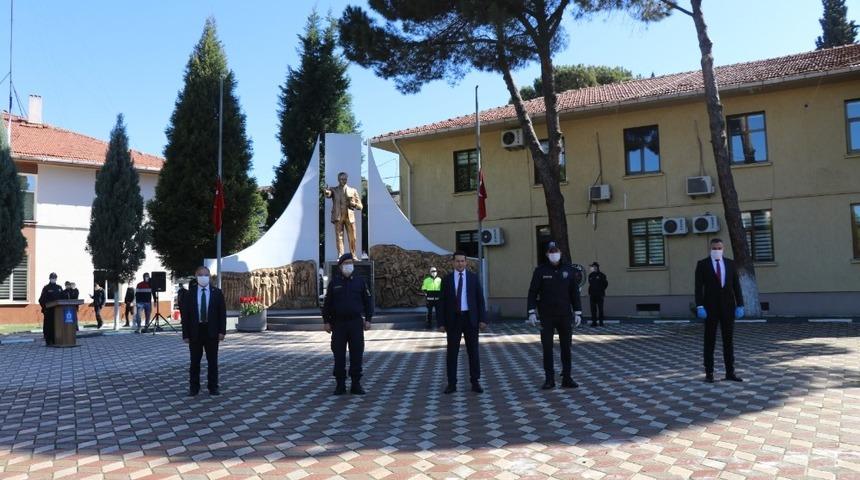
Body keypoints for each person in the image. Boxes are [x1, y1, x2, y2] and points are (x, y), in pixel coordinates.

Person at [527, 241, 583, 389]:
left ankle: (567, 377)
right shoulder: (540, 271)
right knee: (547, 348)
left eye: (556, 251)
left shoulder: (569, 270)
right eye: (551, 251)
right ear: (547, 254)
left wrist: (578, 312)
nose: (554, 254)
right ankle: (549, 379)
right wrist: (531, 311)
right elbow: (533, 291)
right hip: (547, 315)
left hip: (565, 315)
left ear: (560, 252)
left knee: (566, 347)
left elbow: (574, 292)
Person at [695, 238, 745, 383]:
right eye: (714, 248)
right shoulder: (702, 264)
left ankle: (730, 372)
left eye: (719, 248)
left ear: (723, 249)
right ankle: (709, 373)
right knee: (709, 341)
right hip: (710, 309)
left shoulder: (730, 264)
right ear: (710, 249)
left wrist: (740, 304)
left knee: (728, 341)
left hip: (728, 308)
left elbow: (736, 286)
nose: (717, 250)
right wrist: (699, 306)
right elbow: (698, 288)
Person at [322, 253, 373, 395]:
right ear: (340, 266)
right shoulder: (334, 283)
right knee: (338, 354)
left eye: (350, 262)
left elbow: (368, 302)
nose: (348, 265)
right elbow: (327, 304)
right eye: (346, 263)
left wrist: (368, 319)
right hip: (338, 324)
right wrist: (326, 321)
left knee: (357, 353)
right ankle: (340, 384)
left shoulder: (360, 282)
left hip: (356, 323)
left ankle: (356, 384)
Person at [438, 251, 487, 394]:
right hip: (453, 320)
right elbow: (441, 303)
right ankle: (451, 383)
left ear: (466, 262)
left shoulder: (473, 278)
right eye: (457, 261)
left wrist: (483, 319)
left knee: (473, 351)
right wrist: (441, 322)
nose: (460, 264)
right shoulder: (446, 280)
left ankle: (475, 381)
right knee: (452, 352)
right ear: (453, 263)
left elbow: (480, 300)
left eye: (462, 261)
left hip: (470, 319)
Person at [180, 266, 227, 396]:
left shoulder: (217, 293)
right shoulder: (190, 294)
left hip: (212, 331)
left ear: (209, 277)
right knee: (195, 362)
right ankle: (194, 388)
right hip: (195, 332)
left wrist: (222, 331)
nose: (203, 277)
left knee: (213, 361)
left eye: (206, 275)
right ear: (196, 276)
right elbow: (186, 316)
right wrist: (185, 334)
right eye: (201, 275)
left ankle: (213, 387)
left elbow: (222, 314)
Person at [323, 172, 363, 257]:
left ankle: (353, 255)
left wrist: (354, 204)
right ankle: (340, 255)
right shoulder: (333, 190)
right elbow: (328, 194)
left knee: (353, 237)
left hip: (350, 217)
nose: (343, 181)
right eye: (341, 179)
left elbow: (360, 206)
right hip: (338, 217)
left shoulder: (353, 190)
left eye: (345, 179)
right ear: (338, 179)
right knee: (339, 237)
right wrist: (326, 192)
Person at [38, 273, 64, 345]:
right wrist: (45, 308)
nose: (53, 279)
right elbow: (41, 300)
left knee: (56, 325)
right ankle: (48, 340)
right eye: (52, 278)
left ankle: (56, 339)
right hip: (49, 311)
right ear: (49, 278)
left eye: (55, 278)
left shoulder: (59, 287)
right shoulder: (46, 288)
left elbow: (63, 297)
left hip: (58, 311)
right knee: (48, 326)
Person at [587, 262, 609, 327]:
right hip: (592, 295)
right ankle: (594, 322)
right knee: (593, 309)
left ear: (596, 267)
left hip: (600, 294)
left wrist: (601, 290)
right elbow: (590, 284)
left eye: (593, 267)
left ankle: (601, 322)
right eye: (592, 267)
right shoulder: (590, 275)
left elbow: (605, 284)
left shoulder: (602, 275)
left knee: (600, 309)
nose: (592, 268)